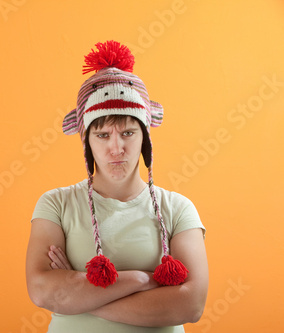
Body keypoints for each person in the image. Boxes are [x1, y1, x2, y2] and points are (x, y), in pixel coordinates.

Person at [25, 41, 208, 332]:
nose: (116, 147)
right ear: (86, 140)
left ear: (145, 137)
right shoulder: (55, 205)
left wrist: (78, 293)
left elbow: (191, 304)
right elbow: (41, 290)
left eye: (128, 132)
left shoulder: (178, 208)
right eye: (102, 134)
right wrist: (141, 280)